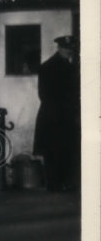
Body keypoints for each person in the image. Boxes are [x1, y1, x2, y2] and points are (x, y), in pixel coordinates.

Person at [33, 34, 81, 192]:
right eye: (66, 49)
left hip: (64, 115)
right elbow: (45, 95)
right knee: (53, 149)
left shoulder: (70, 67)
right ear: (59, 48)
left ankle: (63, 182)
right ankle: (54, 184)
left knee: (66, 149)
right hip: (53, 116)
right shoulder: (48, 67)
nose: (69, 52)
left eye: (71, 49)